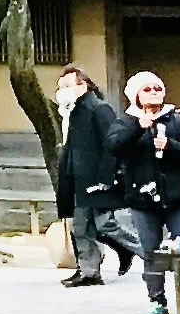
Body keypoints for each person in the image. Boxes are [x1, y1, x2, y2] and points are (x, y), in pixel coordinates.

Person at [96, 71, 180, 314]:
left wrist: (171, 145)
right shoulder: (125, 121)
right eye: (147, 89)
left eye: (157, 88)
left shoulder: (177, 120)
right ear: (135, 94)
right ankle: (157, 302)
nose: (153, 92)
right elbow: (113, 146)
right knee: (151, 253)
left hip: (178, 198)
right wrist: (138, 129)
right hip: (142, 201)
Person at [49, 64, 133, 286]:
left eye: (67, 86)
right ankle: (88, 271)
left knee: (104, 224)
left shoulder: (98, 109)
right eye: (60, 87)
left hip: (96, 177)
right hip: (77, 177)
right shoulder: (71, 112)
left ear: (82, 85)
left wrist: (107, 175)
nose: (61, 91)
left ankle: (143, 253)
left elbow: (112, 144)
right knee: (81, 227)